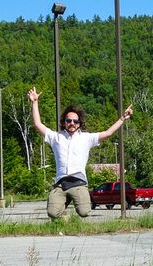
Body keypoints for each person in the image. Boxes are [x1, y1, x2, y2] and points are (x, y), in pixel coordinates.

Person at [28, 87, 133, 219]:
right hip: (61, 183)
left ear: (79, 124)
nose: (72, 123)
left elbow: (108, 133)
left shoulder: (86, 138)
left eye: (75, 121)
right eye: (69, 120)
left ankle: (76, 203)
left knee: (84, 212)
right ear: (64, 122)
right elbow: (37, 124)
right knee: (52, 213)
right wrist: (35, 102)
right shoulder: (56, 137)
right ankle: (64, 216)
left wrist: (123, 118)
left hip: (79, 182)